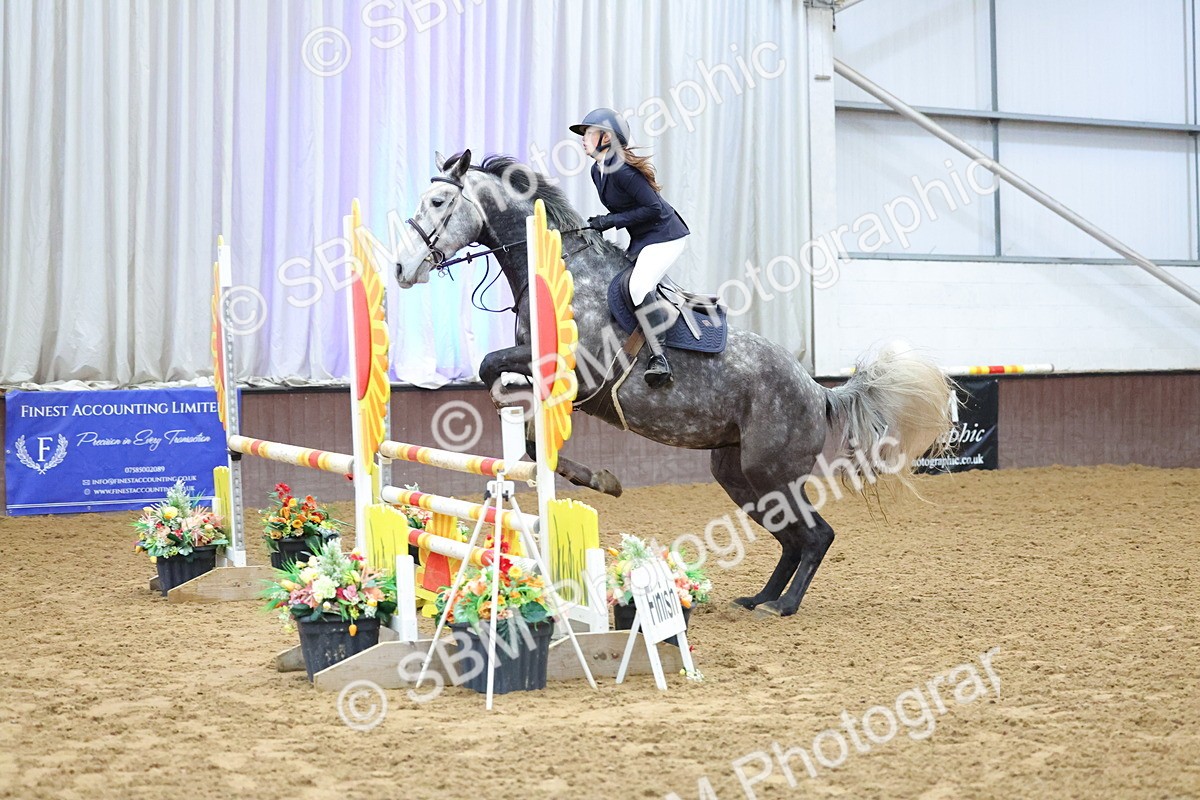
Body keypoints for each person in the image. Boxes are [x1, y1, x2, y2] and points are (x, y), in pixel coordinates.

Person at [570, 107, 690, 387]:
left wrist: (609, 221)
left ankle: (660, 358)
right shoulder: (597, 171)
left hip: (666, 235)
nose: (583, 139)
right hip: (644, 239)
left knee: (637, 288)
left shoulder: (622, 170)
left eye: (588, 133)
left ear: (606, 138)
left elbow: (653, 207)